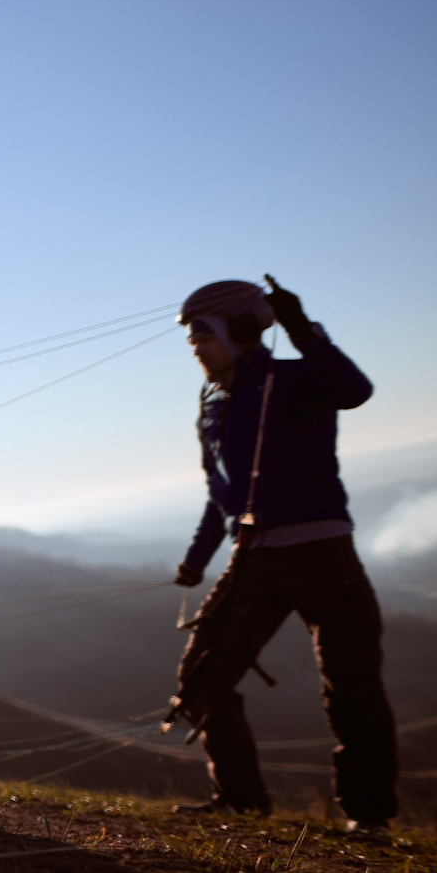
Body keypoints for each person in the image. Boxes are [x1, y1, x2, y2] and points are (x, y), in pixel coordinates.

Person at [165, 277, 396, 834]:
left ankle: (368, 819)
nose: (196, 349)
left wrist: (301, 328)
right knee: (200, 681)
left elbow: (354, 389)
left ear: (241, 330)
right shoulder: (215, 410)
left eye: (205, 337)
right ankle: (242, 804)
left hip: (325, 558)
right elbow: (222, 496)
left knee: (351, 684)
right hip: (255, 564)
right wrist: (198, 559)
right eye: (192, 342)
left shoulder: (296, 381)